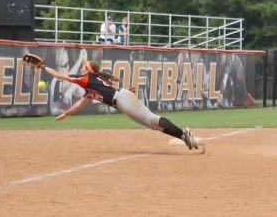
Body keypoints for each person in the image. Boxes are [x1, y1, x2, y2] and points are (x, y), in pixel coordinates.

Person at [30, 60, 204, 151]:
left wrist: (44, 67)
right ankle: (184, 136)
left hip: (122, 99)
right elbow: (80, 104)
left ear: (89, 71)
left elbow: (61, 76)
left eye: (85, 67)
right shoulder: (90, 87)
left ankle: (184, 133)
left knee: (152, 120)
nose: (83, 69)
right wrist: (66, 114)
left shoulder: (86, 79)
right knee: (153, 125)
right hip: (122, 100)